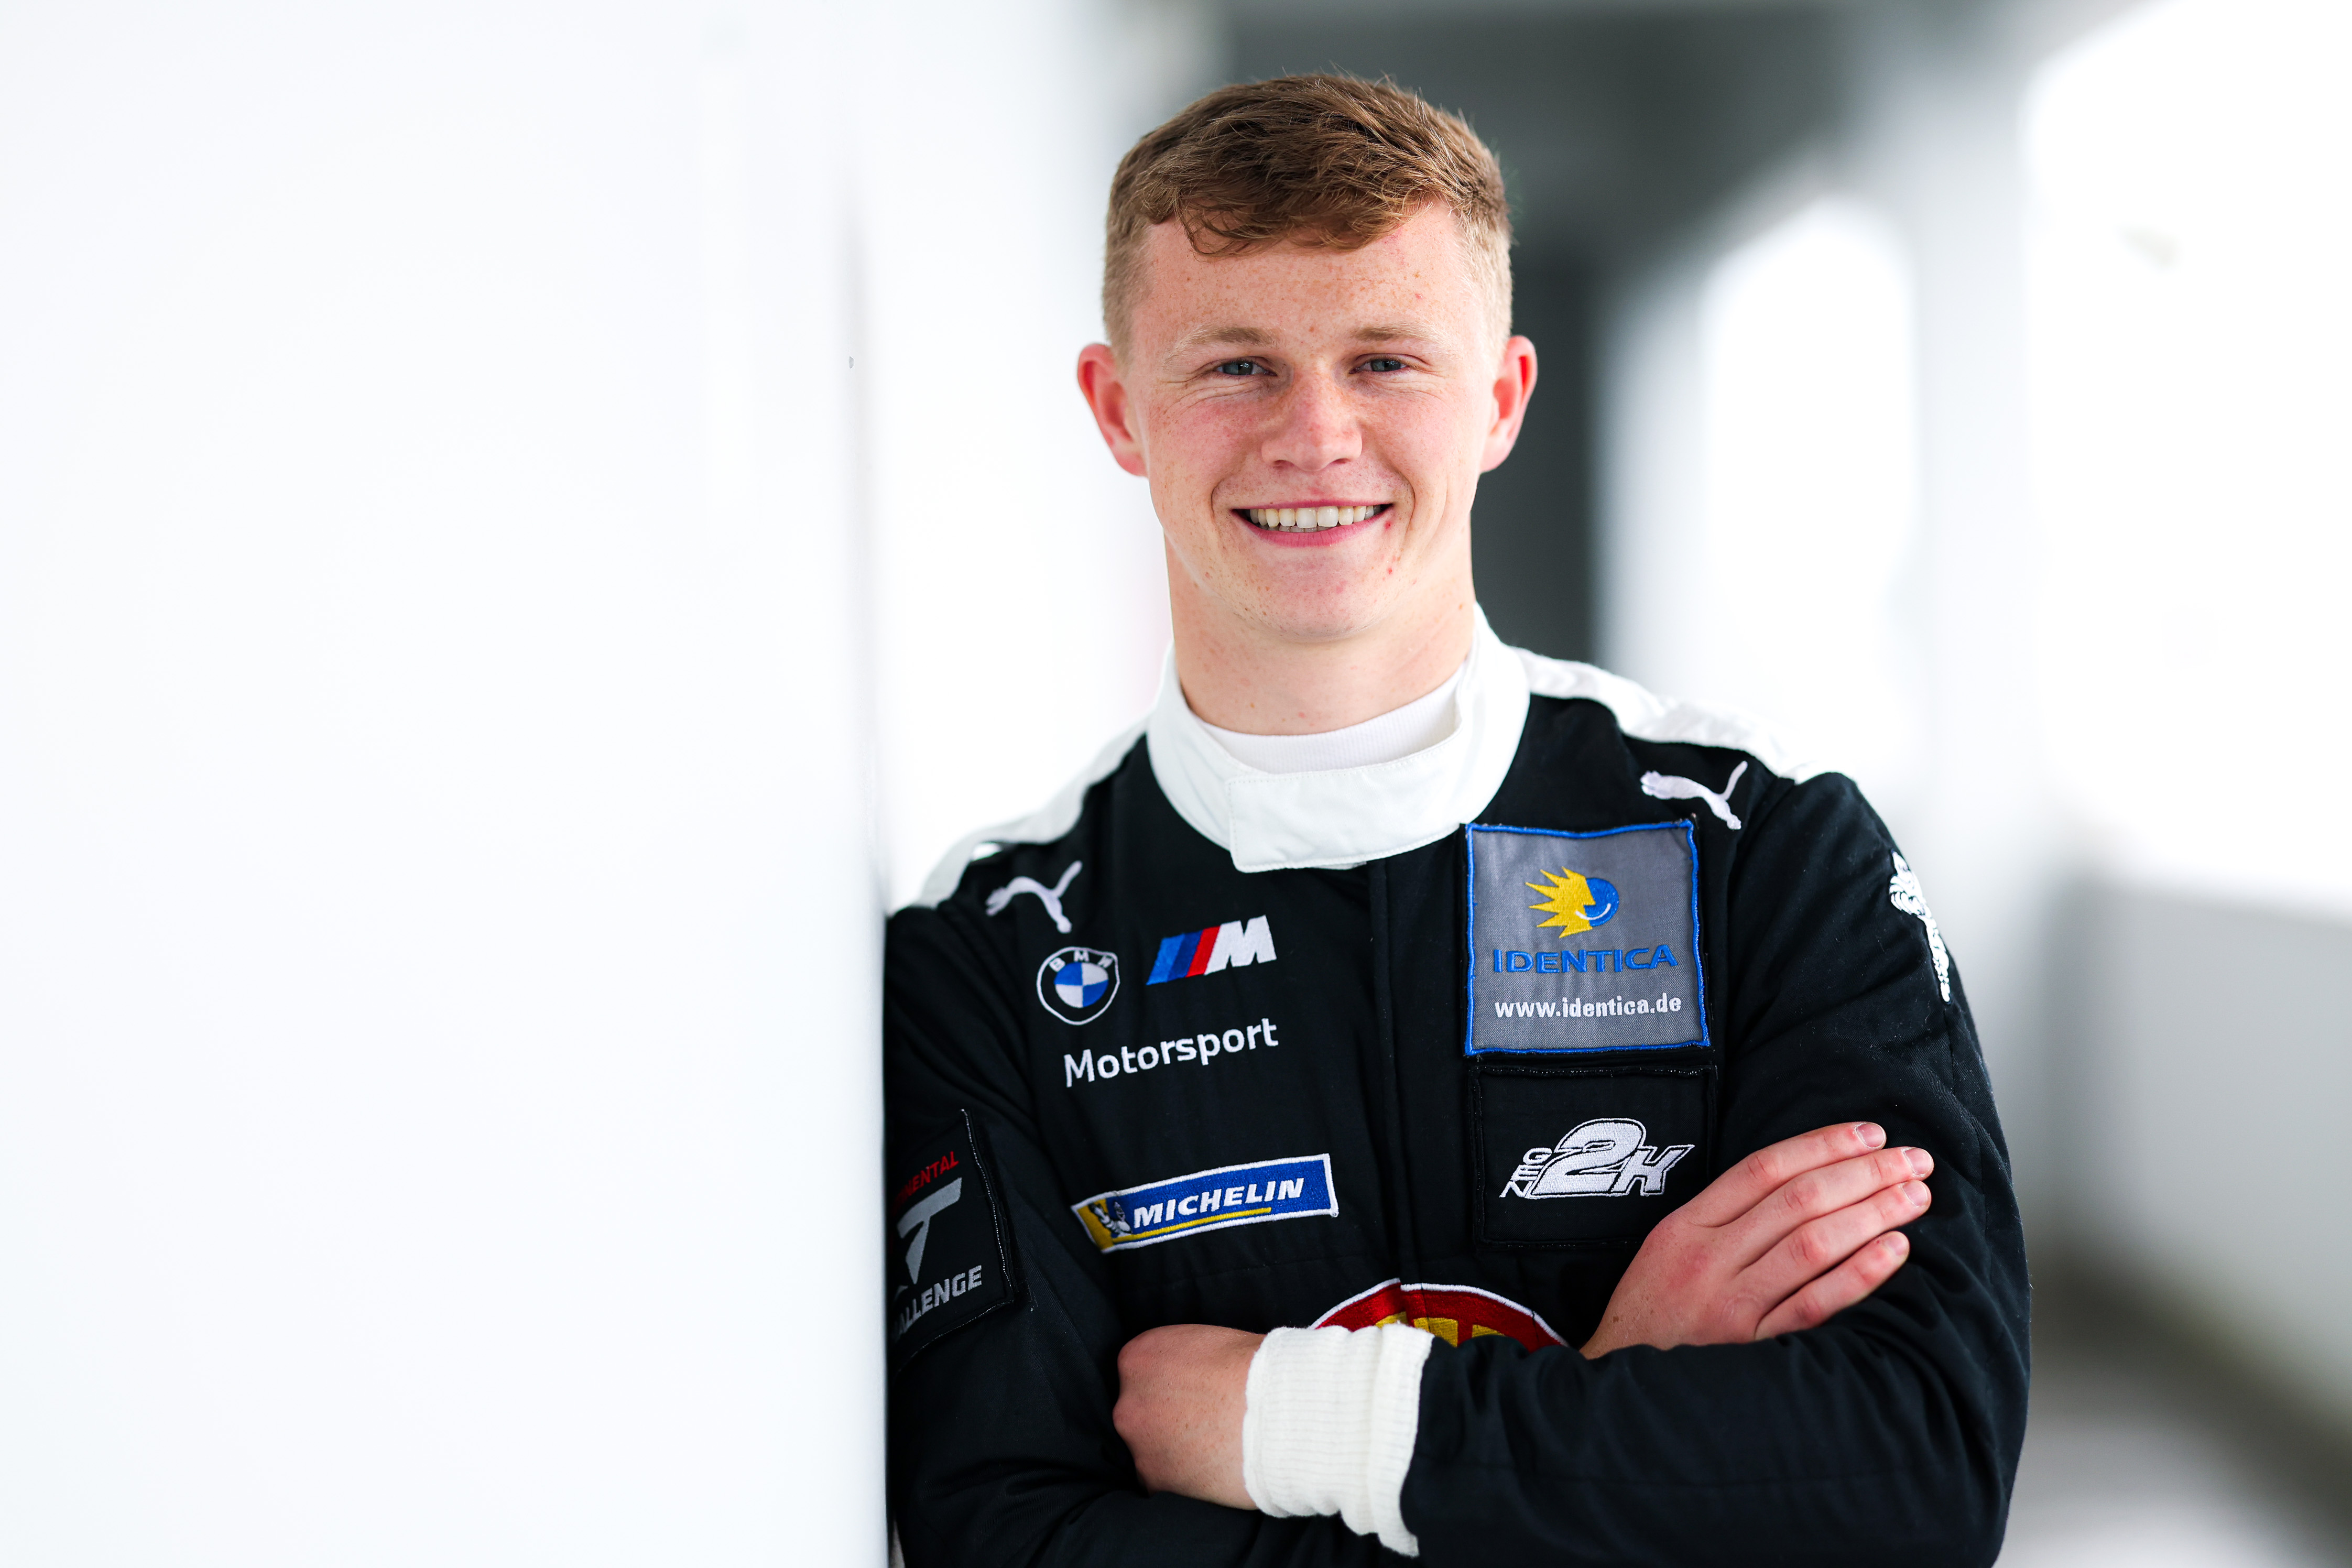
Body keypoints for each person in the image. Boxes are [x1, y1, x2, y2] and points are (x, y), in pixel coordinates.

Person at [883, 74, 2027, 1566]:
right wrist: (1615, 1404)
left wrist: (1294, 1427)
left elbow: (1918, 1476)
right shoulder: (988, 956)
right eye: (1236, 365)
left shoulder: (1765, 850)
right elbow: (1008, 1540)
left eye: (1386, 361)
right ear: (1118, 410)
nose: (1316, 434)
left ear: (1499, 399)